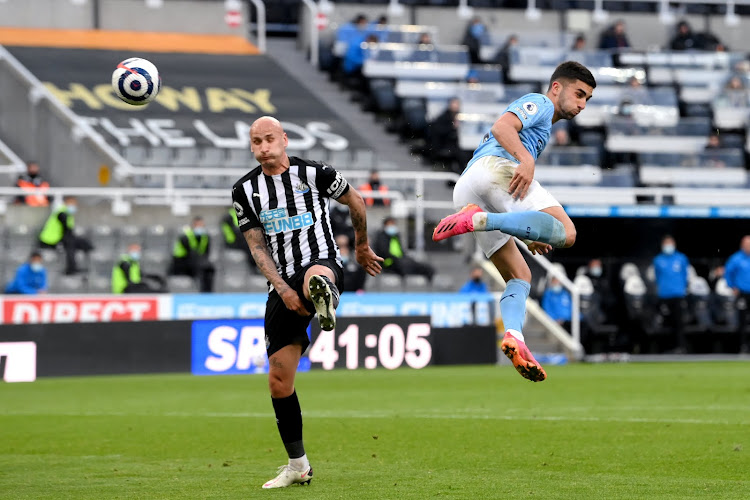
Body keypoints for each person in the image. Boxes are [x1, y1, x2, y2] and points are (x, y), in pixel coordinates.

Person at [231, 116, 382, 489]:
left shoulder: (313, 173)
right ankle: (298, 465)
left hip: (322, 261)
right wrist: (281, 288)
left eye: (270, 139)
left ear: (283, 139)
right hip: (281, 286)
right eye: (256, 142)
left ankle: (324, 296)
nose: (264, 147)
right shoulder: (244, 191)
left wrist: (361, 246)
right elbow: (256, 246)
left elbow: (356, 199)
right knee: (279, 381)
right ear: (251, 147)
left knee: (316, 274)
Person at [432, 61, 597, 382]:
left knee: (520, 275)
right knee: (567, 232)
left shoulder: (547, 121)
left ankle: (513, 336)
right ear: (557, 87)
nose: (581, 104)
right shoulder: (541, 102)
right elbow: (501, 128)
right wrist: (526, 160)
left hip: (468, 186)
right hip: (495, 168)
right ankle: (481, 220)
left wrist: (528, 229)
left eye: (587, 99)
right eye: (579, 94)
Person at [38, 195, 93, 275]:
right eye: (72, 203)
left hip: (59, 238)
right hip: (50, 240)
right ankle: (71, 268)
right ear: (67, 202)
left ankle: (78, 263)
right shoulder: (61, 213)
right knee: (71, 244)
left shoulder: (67, 213)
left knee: (78, 243)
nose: (74, 205)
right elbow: (66, 230)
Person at [653, 235, 690, 353]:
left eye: (670, 243)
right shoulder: (658, 260)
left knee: (679, 322)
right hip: (664, 295)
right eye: (666, 244)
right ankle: (666, 347)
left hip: (678, 294)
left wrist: (683, 289)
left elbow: (685, 275)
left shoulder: (681, 258)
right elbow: (657, 277)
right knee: (666, 322)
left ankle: (681, 347)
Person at [375, 216, 434, 282]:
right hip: (389, 262)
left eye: (393, 224)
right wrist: (399, 259)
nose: (392, 226)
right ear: (385, 225)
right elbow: (384, 252)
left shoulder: (396, 236)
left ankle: (429, 286)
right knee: (405, 267)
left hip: (401, 260)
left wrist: (406, 258)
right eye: (390, 224)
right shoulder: (381, 237)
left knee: (424, 267)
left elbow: (401, 251)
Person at [170, 216, 215, 293]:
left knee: (209, 269)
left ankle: (207, 293)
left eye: (202, 225)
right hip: (182, 262)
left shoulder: (205, 237)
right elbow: (190, 252)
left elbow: (206, 252)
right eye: (198, 225)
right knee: (200, 268)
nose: (200, 227)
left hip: (197, 262)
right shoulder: (185, 236)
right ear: (193, 226)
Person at [725, 235, 750, 353]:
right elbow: (728, 273)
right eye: (747, 244)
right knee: (742, 321)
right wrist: (732, 286)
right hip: (743, 294)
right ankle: (742, 346)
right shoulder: (736, 259)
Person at [426, 97, 464, 174]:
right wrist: (452, 127)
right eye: (454, 103)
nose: (455, 106)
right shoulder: (444, 117)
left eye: (457, 104)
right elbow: (438, 131)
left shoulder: (461, 116)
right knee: (460, 152)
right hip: (445, 143)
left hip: (457, 143)